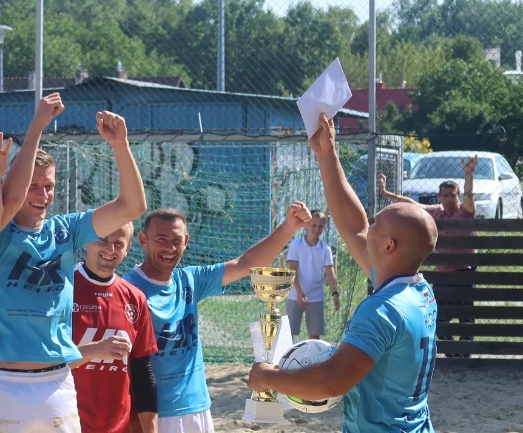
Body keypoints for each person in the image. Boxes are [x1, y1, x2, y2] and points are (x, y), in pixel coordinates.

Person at [248, 114, 439, 433]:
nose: (369, 228)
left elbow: (330, 381)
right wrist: (327, 154)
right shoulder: (418, 291)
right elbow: (355, 226)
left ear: (389, 246)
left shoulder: (382, 310)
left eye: (377, 226)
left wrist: (269, 378)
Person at [0, 94, 147, 433]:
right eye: (33, 186)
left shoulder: (66, 230)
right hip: (1, 381)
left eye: (48, 186)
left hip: (56, 381)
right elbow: (12, 194)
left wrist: (121, 145)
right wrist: (38, 124)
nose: (41, 194)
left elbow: (132, 206)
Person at [124, 203, 312, 433]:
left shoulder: (190, 280)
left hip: (197, 407)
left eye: (176, 241)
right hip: (153, 414)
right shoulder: (127, 289)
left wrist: (289, 227)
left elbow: (246, 264)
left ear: (186, 241)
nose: (169, 248)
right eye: (161, 239)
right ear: (144, 240)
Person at [380, 159, 478, 357]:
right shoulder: (435, 212)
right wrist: (386, 193)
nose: (449, 199)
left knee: (465, 316)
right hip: (442, 274)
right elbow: (411, 205)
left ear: (458, 197)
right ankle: (450, 351)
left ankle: (465, 352)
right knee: (440, 315)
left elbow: (469, 197)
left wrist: (468, 174)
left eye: (452, 195)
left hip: (465, 272)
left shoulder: (465, 212)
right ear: (439, 197)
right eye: (445, 195)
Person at [69, 223, 159, 433]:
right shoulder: (62, 289)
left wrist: (151, 428)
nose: (110, 249)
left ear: (127, 249)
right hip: (68, 422)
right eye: (103, 240)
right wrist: (94, 350)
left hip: (119, 426)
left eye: (118, 243)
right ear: (86, 243)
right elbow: (44, 362)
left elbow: (142, 371)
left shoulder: (134, 297)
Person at [285, 209, 339, 340]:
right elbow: (292, 271)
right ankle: (286, 359)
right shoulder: (295, 244)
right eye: (314, 225)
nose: (316, 229)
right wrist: (298, 292)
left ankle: (312, 360)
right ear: (307, 225)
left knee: (314, 336)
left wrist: (335, 294)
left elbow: (330, 273)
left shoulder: (325, 249)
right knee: (289, 334)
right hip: (294, 295)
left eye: (320, 226)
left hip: (315, 297)